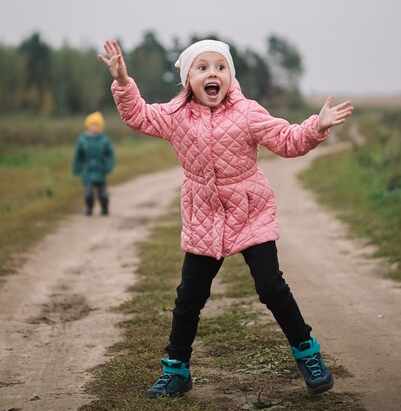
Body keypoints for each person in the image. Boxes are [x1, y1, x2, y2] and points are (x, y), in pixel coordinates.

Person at [99, 39, 353, 398]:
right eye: (201, 68)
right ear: (189, 79)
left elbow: (285, 139)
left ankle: (308, 354)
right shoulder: (176, 116)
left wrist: (315, 126)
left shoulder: (248, 112)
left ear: (230, 76)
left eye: (220, 67)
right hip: (203, 214)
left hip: (250, 210)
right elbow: (138, 115)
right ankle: (176, 371)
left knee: (271, 287)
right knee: (189, 296)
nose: (212, 73)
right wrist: (124, 82)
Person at [72, 111, 116, 216]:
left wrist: (108, 166)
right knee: (89, 194)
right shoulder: (82, 140)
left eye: (97, 125)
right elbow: (77, 156)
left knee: (103, 195)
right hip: (87, 172)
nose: (94, 127)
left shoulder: (104, 140)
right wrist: (76, 168)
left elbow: (111, 155)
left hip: (100, 171)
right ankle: (89, 208)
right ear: (88, 126)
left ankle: (104, 208)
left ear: (100, 127)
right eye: (92, 125)